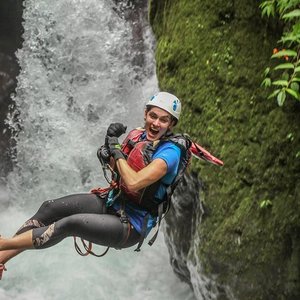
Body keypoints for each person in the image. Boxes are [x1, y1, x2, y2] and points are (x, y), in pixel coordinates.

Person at [0, 91, 192, 279]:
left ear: (171, 124)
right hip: (114, 202)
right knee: (50, 207)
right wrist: (107, 154)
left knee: (70, 224)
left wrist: (116, 151)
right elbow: (120, 171)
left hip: (132, 225)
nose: (156, 123)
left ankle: (3, 244)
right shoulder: (138, 136)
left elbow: (134, 183)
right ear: (145, 113)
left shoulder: (170, 153)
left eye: (163, 120)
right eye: (153, 116)